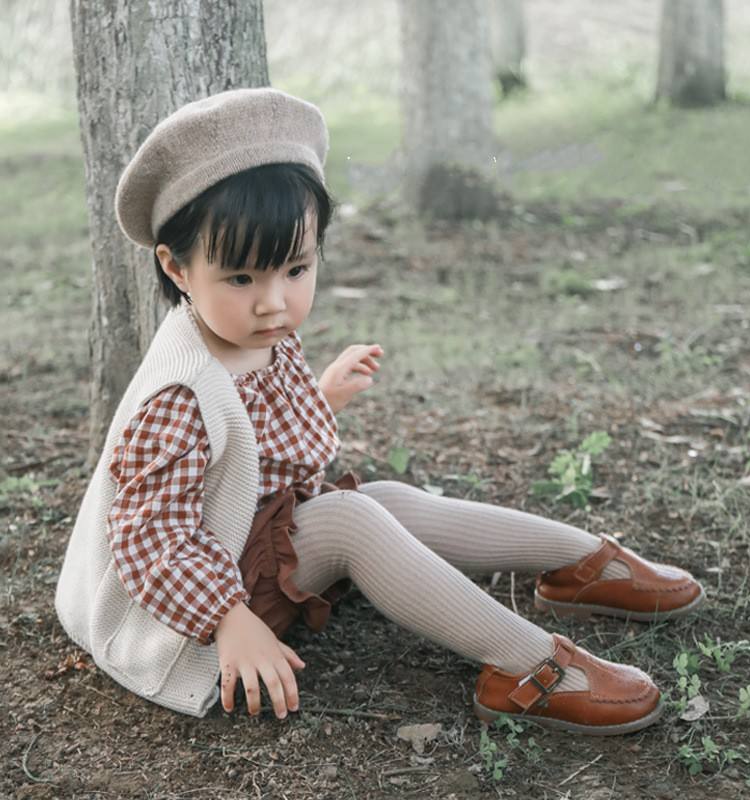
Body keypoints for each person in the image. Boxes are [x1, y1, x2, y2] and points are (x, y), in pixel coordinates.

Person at [55, 87, 705, 735]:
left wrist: (319, 396)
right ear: (176, 268)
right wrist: (229, 621)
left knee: (383, 499)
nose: (274, 302)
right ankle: (527, 665)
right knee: (350, 519)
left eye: (296, 269)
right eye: (241, 278)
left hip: (240, 553)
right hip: (181, 620)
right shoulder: (179, 392)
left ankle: (579, 563)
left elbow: (244, 448)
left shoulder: (251, 332)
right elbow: (151, 538)